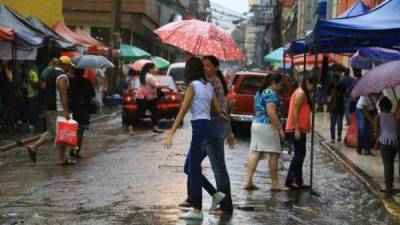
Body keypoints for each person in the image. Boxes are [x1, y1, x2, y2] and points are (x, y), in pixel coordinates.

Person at [164, 57, 222, 220]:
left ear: (189, 71)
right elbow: (217, 109)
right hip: (207, 126)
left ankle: (197, 210)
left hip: (199, 127)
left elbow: (182, 112)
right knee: (188, 168)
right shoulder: (208, 86)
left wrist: (171, 133)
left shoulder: (192, 87)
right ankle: (215, 194)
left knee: (194, 169)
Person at [180, 55, 234, 215]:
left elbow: (216, 109)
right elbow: (226, 109)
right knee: (190, 166)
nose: (206, 68)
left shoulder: (212, 82)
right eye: (203, 66)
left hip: (214, 127)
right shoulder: (208, 82)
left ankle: (225, 207)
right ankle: (193, 197)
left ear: (216, 68)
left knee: (218, 169)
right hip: (212, 128)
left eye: (209, 66)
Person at [23, 56, 74, 165]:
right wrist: (66, 111)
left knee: (52, 132)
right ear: (65, 65)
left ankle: (34, 147)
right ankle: (62, 158)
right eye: (69, 66)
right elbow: (63, 94)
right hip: (58, 108)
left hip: (49, 107)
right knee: (62, 134)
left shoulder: (50, 73)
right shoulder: (62, 77)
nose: (70, 68)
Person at [244, 74, 288, 192]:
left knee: (256, 153)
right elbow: (271, 113)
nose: (280, 87)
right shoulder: (270, 93)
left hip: (257, 124)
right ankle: (274, 183)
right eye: (280, 85)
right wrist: (279, 129)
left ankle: (248, 181)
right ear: (273, 82)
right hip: (267, 126)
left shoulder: (260, 92)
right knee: (274, 154)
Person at [285, 75, 318, 189]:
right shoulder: (301, 93)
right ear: (308, 82)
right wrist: (297, 130)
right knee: (299, 155)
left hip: (300, 128)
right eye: (313, 85)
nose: (314, 88)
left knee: (301, 154)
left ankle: (299, 180)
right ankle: (290, 180)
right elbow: (295, 111)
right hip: (296, 128)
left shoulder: (305, 93)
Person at [68, 68, 96, 159]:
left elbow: (68, 93)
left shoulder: (71, 81)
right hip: (84, 109)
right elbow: (93, 94)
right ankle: (77, 151)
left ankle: (72, 149)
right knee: (80, 130)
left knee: (73, 129)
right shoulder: (87, 82)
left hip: (73, 108)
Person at [375, 97, 400, 192]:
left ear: (380, 106)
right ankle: (390, 183)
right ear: (390, 106)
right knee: (391, 163)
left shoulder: (378, 116)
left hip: (385, 142)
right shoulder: (394, 115)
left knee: (388, 164)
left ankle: (388, 185)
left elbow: (376, 131)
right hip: (395, 141)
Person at [133, 63, 164, 134]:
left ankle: (155, 127)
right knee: (151, 112)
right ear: (150, 69)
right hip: (147, 97)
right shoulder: (150, 77)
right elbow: (157, 85)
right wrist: (163, 86)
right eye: (153, 68)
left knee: (152, 112)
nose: (155, 70)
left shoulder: (143, 75)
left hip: (143, 97)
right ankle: (131, 127)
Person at [327, 73, 346, 143]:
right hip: (333, 107)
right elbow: (328, 95)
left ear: (338, 79)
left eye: (336, 80)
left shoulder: (342, 85)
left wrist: (338, 93)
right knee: (332, 124)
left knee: (339, 123)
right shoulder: (330, 85)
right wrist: (330, 99)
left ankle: (339, 136)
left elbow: (345, 95)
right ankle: (332, 137)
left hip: (340, 107)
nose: (335, 81)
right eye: (334, 79)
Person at [22, 64, 40, 131]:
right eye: (23, 69)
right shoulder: (22, 75)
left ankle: (33, 124)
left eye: (25, 68)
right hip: (25, 95)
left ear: (29, 68)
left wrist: (29, 79)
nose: (24, 70)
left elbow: (36, 85)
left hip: (33, 95)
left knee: (32, 110)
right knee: (26, 109)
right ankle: (27, 122)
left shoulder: (33, 74)